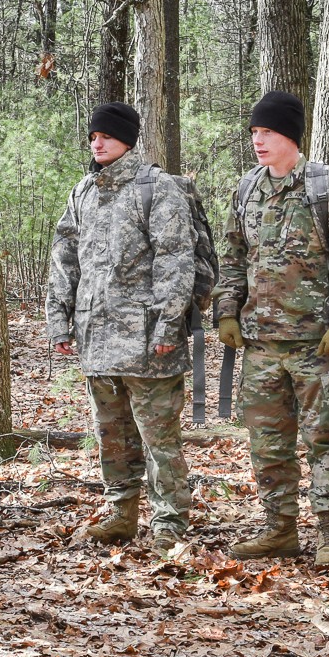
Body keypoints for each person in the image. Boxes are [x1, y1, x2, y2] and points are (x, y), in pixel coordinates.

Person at [214, 91, 329, 567]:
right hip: (260, 343)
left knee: (325, 440)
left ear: (291, 136)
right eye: (254, 133)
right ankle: (278, 528)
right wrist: (226, 309)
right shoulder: (247, 189)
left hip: (316, 343)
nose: (258, 141)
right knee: (267, 444)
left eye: (267, 132)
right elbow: (232, 256)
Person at [46, 103, 197, 556]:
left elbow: (176, 259)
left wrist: (170, 323)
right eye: (93, 135)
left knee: (159, 439)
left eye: (107, 135)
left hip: (150, 341)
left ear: (128, 138)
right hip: (97, 339)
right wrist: (60, 319)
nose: (97, 142)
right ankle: (121, 514)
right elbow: (64, 258)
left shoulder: (158, 188)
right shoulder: (83, 192)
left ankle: (169, 524)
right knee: (111, 435)